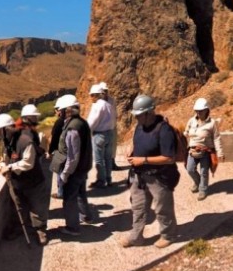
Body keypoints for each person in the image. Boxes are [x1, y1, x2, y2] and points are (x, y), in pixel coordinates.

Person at [120, 94, 179, 249]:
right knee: (138, 207)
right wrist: (131, 149)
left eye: (139, 115)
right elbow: (137, 141)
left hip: (159, 177)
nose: (137, 119)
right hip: (139, 176)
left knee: (162, 208)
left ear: (149, 113)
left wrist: (144, 160)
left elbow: (169, 158)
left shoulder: (164, 130)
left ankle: (168, 235)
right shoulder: (139, 126)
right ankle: (136, 237)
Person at [0, 113, 48, 245]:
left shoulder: (25, 141)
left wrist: (10, 167)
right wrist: (2, 164)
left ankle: (40, 230)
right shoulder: (7, 142)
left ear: (6, 129)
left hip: (33, 181)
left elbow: (28, 163)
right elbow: (4, 157)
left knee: (37, 207)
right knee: (19, 206)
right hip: (18, 183)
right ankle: (19, 228)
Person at [50, 94, 94, 237]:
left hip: (74, 170)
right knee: (81, 193)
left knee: (69, 199)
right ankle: (86, 216)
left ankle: (73, 227)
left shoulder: (72, 128)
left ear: (66, 111)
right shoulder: (81, 122)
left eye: (59, 110)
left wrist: (65, 174)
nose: (57, 113)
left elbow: (73, 156)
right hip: (82, 168)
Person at [183, 98, 224, 200]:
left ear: (206, 110)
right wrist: (185, 134)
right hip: (192, 150)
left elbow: (216, 138)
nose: (198, 113)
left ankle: (203, 190)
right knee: (190, 169)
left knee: (204, 172)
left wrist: (220, 153)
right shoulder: (191, 121)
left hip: (205, 151)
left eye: (200, 111)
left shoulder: (212, 123)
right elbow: (187, 131)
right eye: (196, 111)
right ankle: (197, 182)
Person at [87, 83, 116, 188]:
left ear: (96, 95)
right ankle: (109, 179)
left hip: (99, 135)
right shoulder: (109, 104)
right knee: (108, 158)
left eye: (92, 95)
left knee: (99, 159)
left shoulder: (97, 105)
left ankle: (101, 180)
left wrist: (85, 132)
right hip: (110, 133)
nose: (91, 98)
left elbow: (92, 122)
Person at [99, 82, 120, 171]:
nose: (105, 92)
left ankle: (112, 163)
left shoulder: (112, 100)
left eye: (106, 91)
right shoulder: (98, 102)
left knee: (113, 145)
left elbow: (115, 112)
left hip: (112, 126)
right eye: (103, 91)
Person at [48, 102, 66, 199]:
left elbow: (54, 138)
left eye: (56, 110)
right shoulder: (69, 120)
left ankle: (61, 192)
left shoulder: (59, 122)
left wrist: (50, 151)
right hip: (67, 150)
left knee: (59, 172)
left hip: (59, 151)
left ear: (59, 110)